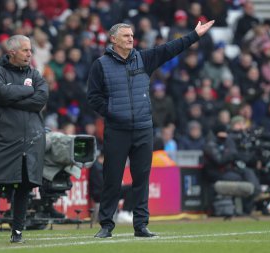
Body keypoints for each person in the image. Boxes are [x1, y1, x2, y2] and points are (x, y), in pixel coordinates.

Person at [87, 20, 214, 238]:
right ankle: (106, 225)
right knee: (112, 178)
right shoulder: (101, 65)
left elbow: (170, 48)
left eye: (132, 35)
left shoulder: (143, 58)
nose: (130, 38)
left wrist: (195, 35)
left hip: (144, 128)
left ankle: (141, 225)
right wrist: (112, 111)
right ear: (113, 39)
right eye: (126, 35)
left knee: (142, 178)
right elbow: (93, 97)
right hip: (117, 129)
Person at [0, 35, 48, 244]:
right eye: (25, 50)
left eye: (30, 50)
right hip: (4, 139)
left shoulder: (35, 74)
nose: (29, 54)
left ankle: (18, 231)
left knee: (23, 188)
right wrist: (28, 91)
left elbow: (41, 99)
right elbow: (2, 93)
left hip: (30, 140)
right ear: (12, 52)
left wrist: (14, 99)